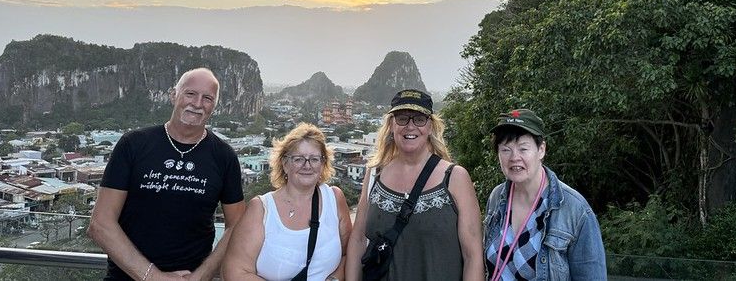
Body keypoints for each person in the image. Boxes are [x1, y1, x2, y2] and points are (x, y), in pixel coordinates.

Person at [88, 67, 246, 280]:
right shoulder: (133, 144)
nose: (197, 104)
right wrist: (154, 277)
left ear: (215, 106)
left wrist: (201, 276)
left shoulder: (224, 157)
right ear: (173, 95)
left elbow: (236, 226)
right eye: (190, 94)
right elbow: (100, 224)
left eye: (207, 98)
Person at [346, 89, 484, 281]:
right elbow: (358, 239)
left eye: (419, 119)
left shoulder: (454, 178)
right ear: (391, 125)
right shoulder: (374, 174)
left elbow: (473, 255)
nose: (410, 126)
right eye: (402, 118)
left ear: (430, 126)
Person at [484, 109, 607, 281]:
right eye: (506, 150)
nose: (514, 157)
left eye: (523, 149)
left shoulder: (574, 209)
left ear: (541, 150)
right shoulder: (497, 197)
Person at [222, 122, 352, 281]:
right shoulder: (262, 209)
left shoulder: (334, 199)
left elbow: (348, 254)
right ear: (284, 164)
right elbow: (235, 271)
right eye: (298, 159)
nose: (307, 166)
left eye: (314, 159)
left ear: (323, 164)